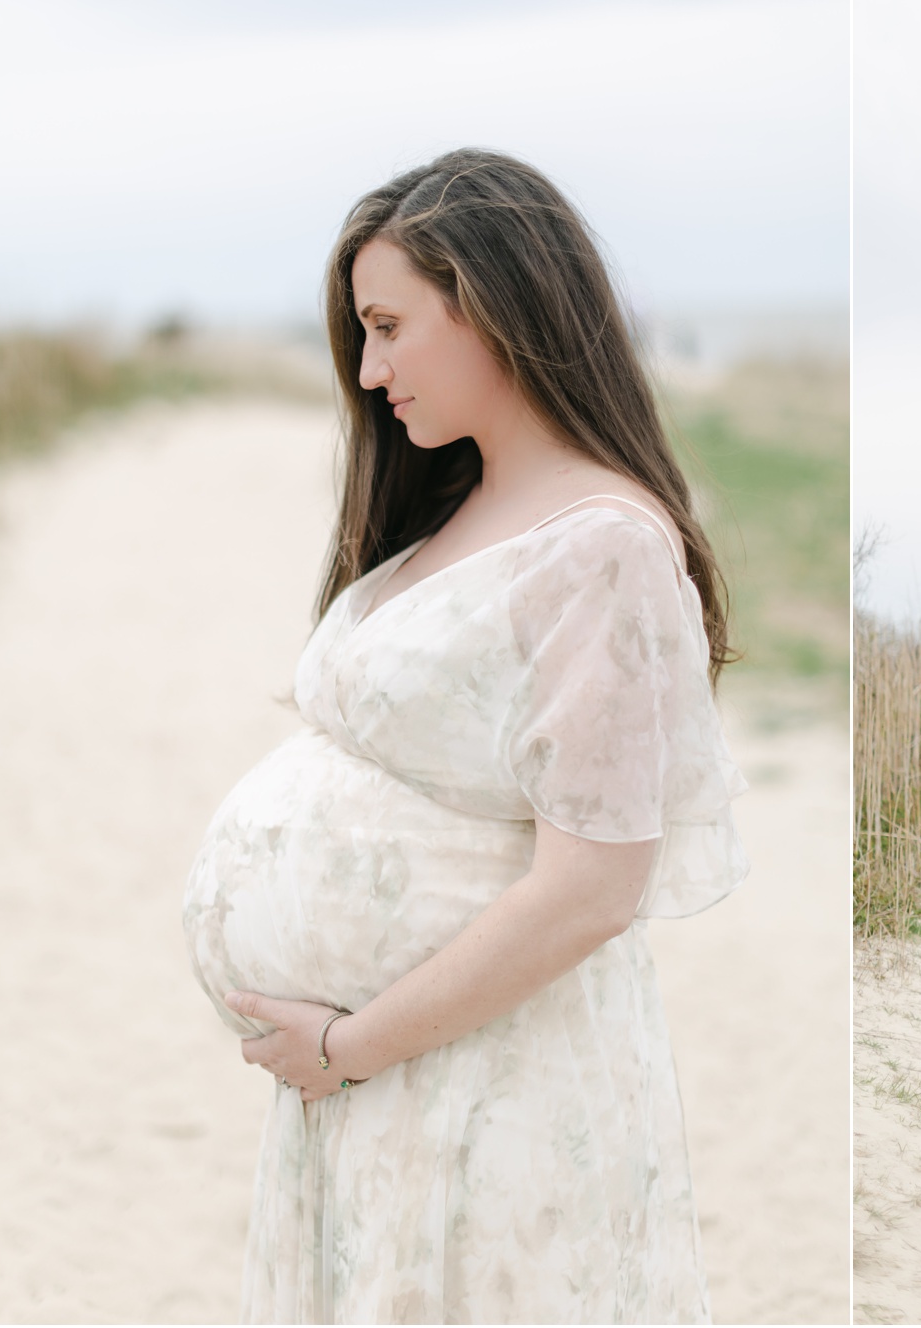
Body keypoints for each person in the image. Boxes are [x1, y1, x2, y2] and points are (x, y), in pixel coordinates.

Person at [182, 149, 749, 1323]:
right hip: (384, 1077)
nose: (372, 369)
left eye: (389, 326)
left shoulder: (607, 547)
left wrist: (352, 1041)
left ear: (490, 297)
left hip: (482, 1082)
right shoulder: (461, 504)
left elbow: (594, 886)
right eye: (361, 335)